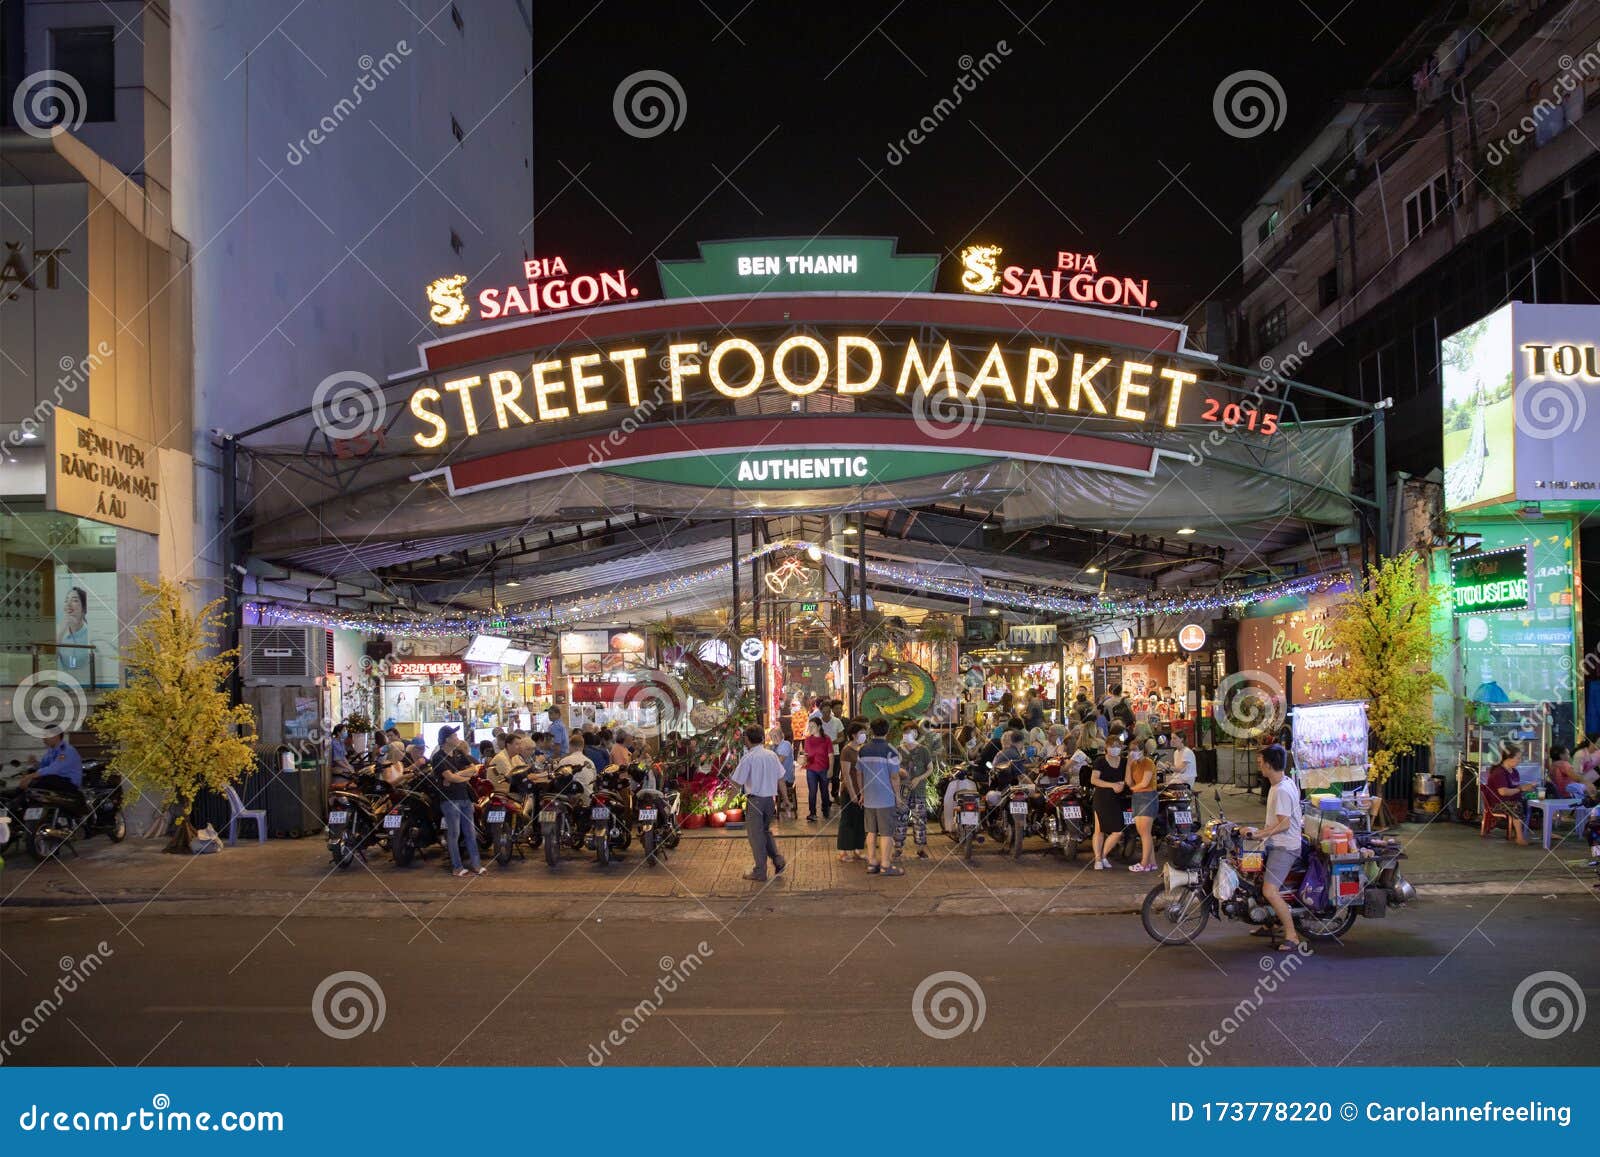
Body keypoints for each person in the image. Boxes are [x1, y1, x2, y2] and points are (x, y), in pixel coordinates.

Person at [1243, 744, 1303, 950]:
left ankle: (1292, 936)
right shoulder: (1281, 784)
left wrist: (1259, 833)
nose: (1259, 767)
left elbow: (1284, 824)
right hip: (1276, 842)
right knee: (1255, 880)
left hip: (1285, 847)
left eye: (1260, 764)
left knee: (1269, 890)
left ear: (1269, 765)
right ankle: (1271, 923)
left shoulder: (1282, 790)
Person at [730, 726, 788, 882]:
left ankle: (760, 871)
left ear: (747, 740)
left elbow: (736, 783)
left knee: (756, 837)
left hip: (755, 801)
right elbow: (781, 779)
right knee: (765, 831)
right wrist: (786, 800)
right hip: (770, 801)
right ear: (763, 738)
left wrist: (727, 803)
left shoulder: (748, 758)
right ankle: (778, 860)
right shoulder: (772, 755)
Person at [434, 728, 485, 878]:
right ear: (447, 739)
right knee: (454, 834)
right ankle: (457, 867)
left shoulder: (458, 753)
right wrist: (460, 777)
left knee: (470, 832)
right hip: (449, 800)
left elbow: (473, 769)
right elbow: (450, 777)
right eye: (454, 735)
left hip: (464, 797)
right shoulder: (438, 757)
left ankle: (477, 865)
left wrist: (458, 776)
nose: (457, 738)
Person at [858, 719, 905, 876]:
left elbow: (859, 773)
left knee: (870, 831)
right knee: (886, 832)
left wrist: (862, 793)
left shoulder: (863, 750)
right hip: (886, 798)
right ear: (887, 731)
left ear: (872, 730)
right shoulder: (890, 750)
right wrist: (897, 796)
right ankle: (885, 864)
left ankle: (872, 863)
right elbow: (894, 777)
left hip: (869, 797)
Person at [893, 721, 931, 860]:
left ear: (915, 733)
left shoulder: (923, 750)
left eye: (909, 732)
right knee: (900, 819)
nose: (907, 735)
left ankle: (920, 849)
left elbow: (930, 769)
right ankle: (898, 848)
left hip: (919, 790)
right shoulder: (898, 750)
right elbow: (892, 769)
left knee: (920, 820)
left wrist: (918, 779)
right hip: (902, 790)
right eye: (905, 732)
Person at [1088, 737, 1127, 869]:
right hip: (1102, 798)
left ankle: (1103, 855)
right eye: (1112, 746)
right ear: (1106, 747)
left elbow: (1129, 777)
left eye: (1117, 746)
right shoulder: (1100, 761)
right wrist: (1112, 785)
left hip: (1118, 799)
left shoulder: (1125, 762)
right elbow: (1094, 780)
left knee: (1118, 831)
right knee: (1099, 830)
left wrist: (1123, 784)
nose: (1114, 748)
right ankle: (1097, 859)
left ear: (1121, 747)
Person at [1483, 743, 1529, 844]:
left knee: (1529, 803)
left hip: (1511, 800)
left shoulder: (1514, 771)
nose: (1519, 760)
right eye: (1518, 758)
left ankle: (1522, 832)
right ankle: (1519, 837)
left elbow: (1515, 788)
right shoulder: (1499, 772)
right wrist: (1521, 789)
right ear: (1508, 758)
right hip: (1497, 803)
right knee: (1516, 806)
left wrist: (1526, 789)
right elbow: (1503, 792)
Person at [835, 722, 868, 861]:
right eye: (861, 733)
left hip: (862, 790)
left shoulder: (862, 749)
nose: (864, 736)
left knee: (860, 821)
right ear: (853, 735)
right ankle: (844, 851)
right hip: (849, 791)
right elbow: (846, 774)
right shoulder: (847, 750)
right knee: (847, 821)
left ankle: (857, 849)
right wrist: (853, 793)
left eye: (864, 733)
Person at [1126, 742, 1159, 872]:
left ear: (1141, 750)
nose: (1132, 752)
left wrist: (1133, 788)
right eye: (1130, 749)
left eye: (1135, 749)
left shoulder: (1148, 763)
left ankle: (1144, 863)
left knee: (1145, 831)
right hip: (1137, 798)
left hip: (1148, 797)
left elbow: (1144, 783)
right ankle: (1152, 862)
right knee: (1142, 832)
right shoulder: (1134, 764)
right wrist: (1128, 765)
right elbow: (1128, 781)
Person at [23, 727, 84, 791]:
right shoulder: (51, 751)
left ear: (56, 736)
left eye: (46, 736)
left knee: (39, 781)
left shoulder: (66, 750)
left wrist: (31, 776)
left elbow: (55, 769)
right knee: (34, 777)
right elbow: (44, 766)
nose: (44, 739)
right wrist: (35, 764)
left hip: (70, 783)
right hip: (57, 780)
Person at [802, 717, 833, 822]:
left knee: (824, 791)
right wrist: (804, 761)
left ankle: (825, 809)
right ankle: (812, 813)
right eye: (809, 726)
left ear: (819, 727)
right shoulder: (808, 740)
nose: (810, 728)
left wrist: (831, 769)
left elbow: (831, 755)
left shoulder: (826, 739)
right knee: (812, 791)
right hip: (811, 769)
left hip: (824, 768)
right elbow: (806, 754)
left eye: (813, 726)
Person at [57, 586, 92, 673]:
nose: (68, 604)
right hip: (63, 681)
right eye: (66, 600)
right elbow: (48, 661)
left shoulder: (91, 634)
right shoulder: (58, 632)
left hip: (86, 681)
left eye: (74, 600)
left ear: (84, 608)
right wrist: (60, 632)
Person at [770, 725, 796, 820]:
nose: (774, 738)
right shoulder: (774, 747)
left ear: (782, 735)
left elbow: (778, 761)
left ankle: (783, 803)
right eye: (772, 736)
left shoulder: (785, 744)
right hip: (778, 777)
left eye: (776, 735)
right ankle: (772, 807)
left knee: (767, 783)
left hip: (787, 778)